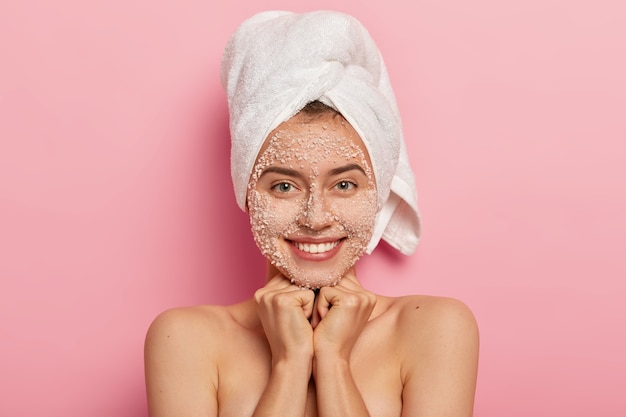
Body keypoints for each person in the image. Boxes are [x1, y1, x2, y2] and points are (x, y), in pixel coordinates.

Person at [144, 10, 479, 417]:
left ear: (377, 193)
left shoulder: (435, 329)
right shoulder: (183, 339)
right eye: (284, 186)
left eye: (344, 185)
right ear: (247, 191)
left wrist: (333, 360)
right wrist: (290, 364)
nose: (316, 217)